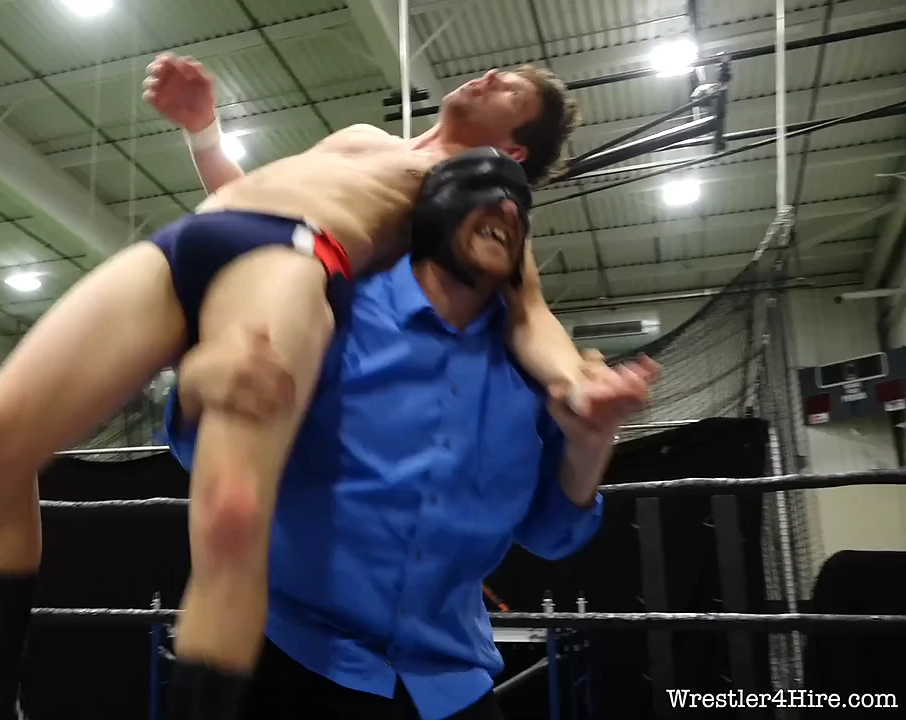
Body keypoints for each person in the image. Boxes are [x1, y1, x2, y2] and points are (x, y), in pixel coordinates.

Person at [0, 50, 590, 720]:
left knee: (231, 512)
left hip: (291, 260)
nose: (490, 76)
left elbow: (530, 314)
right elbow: (256, 189)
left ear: (515, 149)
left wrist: (577, 387)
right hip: (196, 235)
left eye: (512, 91)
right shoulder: (365, 138)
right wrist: (203, 129)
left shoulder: (473, 195)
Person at [163, 148, 660, 719]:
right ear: (432, 210)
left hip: (447, 679)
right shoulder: (332, 312)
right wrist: (207, 383)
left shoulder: (541, 371)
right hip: (297, 657)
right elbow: (202, 451)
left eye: (520, 206)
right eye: (485, 188)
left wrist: (592, 440)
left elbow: (552, 534)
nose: (508, 207)